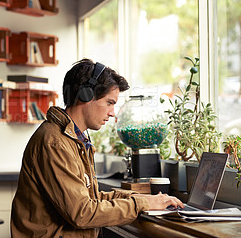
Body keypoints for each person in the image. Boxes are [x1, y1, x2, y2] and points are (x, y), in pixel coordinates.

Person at [11, 59, 184, 237]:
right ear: (86, 95)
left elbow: (91, 199)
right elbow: (82, 212)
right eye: (109, 102)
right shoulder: (54, 143)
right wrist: (141, 205)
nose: (112, 112)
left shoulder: (73, 139)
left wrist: (144, 199)